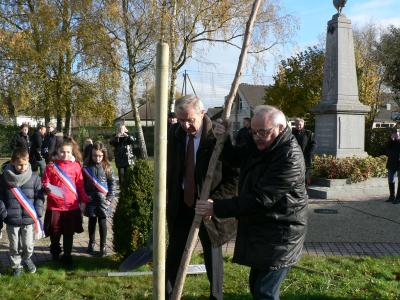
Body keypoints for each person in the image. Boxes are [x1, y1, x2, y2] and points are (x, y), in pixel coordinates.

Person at [196, 105, 308, 300]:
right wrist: (222, 139)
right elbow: (236, 158)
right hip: (263, 230)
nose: (257, 136)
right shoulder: (259, 143)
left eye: (263, 132)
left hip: (281, 233)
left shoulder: (289, 157)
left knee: (265, 292)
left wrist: (216, 208)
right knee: (257, 287)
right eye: (253, 131)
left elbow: (260, 199)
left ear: (281, 128)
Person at [166, 95, 238, 300]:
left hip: (208, 206)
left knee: (212, 255)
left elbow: (234, 177)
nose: (185, 125)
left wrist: (214, 203)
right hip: (182, 203)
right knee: (174, 253)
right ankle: (169, 295)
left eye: (190, 119)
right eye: (181, 120)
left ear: (202, 113)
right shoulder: (174, 135)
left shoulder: (218, 137)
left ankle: (216, 297)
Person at [42, 137, 89, 267]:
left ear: (72, 152)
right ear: (57, 151)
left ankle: (67, 256)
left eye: (68, 152)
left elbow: (80, 185)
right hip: (54, 207)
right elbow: (45, 182)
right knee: (55, 233)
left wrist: (84, 199)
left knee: (69, 234)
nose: (65, 155)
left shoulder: (76, 166)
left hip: (71, 207)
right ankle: (55, 255)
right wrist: (48, 189)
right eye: (62, 152)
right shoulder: (51, 167)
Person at [0, 148, 44, 276]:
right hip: (12, 219)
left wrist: (39, 210)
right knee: (14, 245)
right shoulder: (4, 178)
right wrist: (3, 211)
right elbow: (0, 196)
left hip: (28, 218)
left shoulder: (34, 177)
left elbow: (39, 195)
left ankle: (27, 258)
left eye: (25, 164)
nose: (23, 167)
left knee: (28, 245)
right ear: (13, 162)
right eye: (19, 164)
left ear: (28, 161)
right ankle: (16, 266)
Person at [83, 141, 115, 256]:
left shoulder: (107, 167)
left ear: (104, 155)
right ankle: (91, 243)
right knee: (91, 222)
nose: (97, 158)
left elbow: (112, 184)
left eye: (100, 156)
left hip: (103, 200)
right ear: (91, 155)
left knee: (102, 222)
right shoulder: (86, 167)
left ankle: (103, 246)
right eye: (95, 155)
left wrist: (109, 199)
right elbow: (82, 183)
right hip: (91, 200)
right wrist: (85, 197)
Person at [292, 118, 316, 185]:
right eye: (296, 124)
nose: (298, 126)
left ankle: (306, 184)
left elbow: (313, 144)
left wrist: (310, 153)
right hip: (295, 156)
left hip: (306, 156)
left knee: (306, 172)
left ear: (303, 124)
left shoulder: (308, 133)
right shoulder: (292, 133)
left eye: (300, 124)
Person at [385, 128, 400, 203]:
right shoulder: (391, 140)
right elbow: (387, 149)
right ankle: (392, 196)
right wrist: (392, 139)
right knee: (390, 178)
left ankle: (398, 198)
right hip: (392, 162)